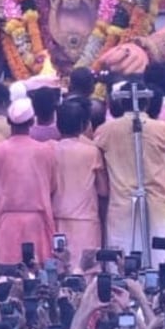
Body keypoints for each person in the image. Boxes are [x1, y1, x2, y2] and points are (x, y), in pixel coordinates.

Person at [94, 81, 165, 263]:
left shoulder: (106, 131)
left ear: (120, 103)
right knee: (162, 266)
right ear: (147, 103)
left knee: (124, 267)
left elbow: (98, 164)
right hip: (157, 204)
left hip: (123, 206)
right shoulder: (163, 130)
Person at [0, 98, 58, 264]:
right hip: (37, 224)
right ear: (32, 121)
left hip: (6, 224)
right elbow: (52, 186)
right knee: (38, 277)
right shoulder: (46, 150)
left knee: (7, 276)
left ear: (9, 122)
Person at [52, 97, 105, 256]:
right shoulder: (92, 151)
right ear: (84, 125)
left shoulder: (49, 150)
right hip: (85, 220)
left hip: (57, 218)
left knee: (59, 269)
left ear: (58, 125)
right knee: (86, 269)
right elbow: (103, 190)